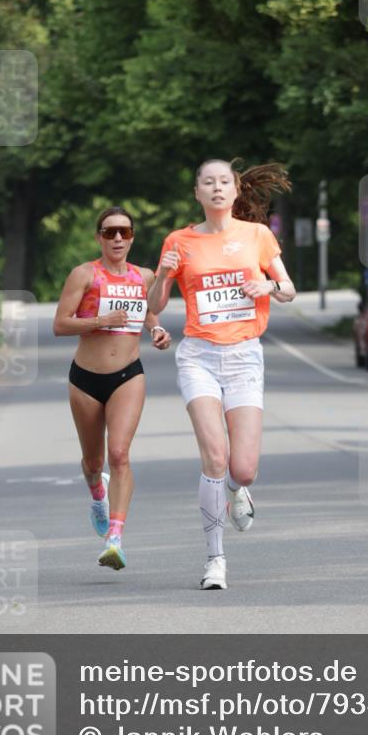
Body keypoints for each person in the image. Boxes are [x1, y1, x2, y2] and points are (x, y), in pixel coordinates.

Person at [148, 160, 296, 589]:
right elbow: (155, 300)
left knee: (243, 468)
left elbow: (288, 289)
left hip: (245, 355)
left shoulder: (257, 235)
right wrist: (163, 271)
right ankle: (215, 559)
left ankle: (237, 489)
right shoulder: (179, 241)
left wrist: (268, 287)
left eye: (224, 182)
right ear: (197, 192)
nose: (216, 188)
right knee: (214, 458)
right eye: (208, 183)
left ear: (235, 191)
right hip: (198, 356)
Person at [53, 206, 171, 571]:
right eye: (109, 233)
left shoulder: (145, 276)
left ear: (132, 236)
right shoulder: (85, 275)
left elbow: (149, 311)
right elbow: (60, 324)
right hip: (86, 379)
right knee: (94, 462)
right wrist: (100, 321)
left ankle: (115, 538)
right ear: (99, 238)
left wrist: (156, 330)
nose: (117, 238)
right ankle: (96, 493)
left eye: (123, 231)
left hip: (128, 375)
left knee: (119, 454)